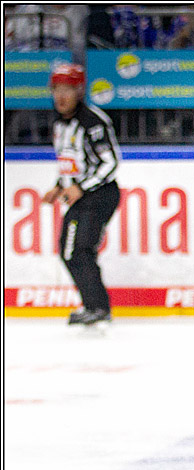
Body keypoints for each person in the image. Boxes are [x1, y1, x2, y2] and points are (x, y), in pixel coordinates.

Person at [40, 63, 121, 326]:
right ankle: (93, 306)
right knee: (69, 251)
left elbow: (111, 163)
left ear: (79, 91)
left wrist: (81, 187)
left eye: (67, 89)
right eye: (56, 89)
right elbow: (71, 161)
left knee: (80, 249)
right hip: (83, 195)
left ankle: (98, 307)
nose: (61, 96)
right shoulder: (59, 123)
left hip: (99, 194)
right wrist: (59, 186)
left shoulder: (92, 121)